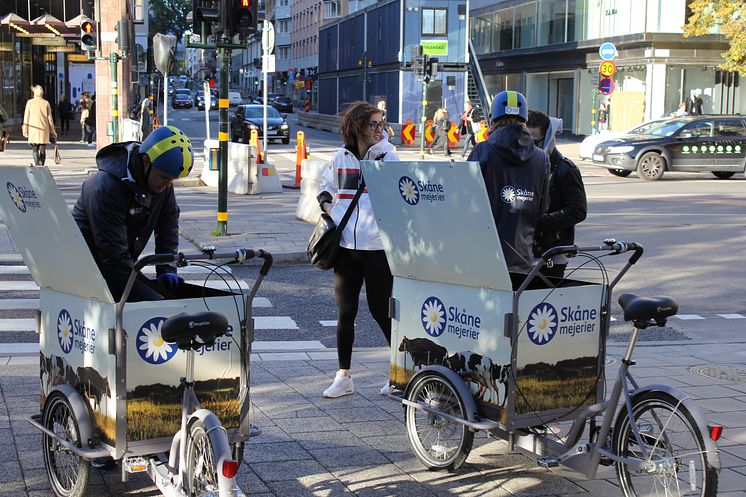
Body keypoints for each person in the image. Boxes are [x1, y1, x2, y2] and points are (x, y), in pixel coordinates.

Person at [316, 101, 399, 398]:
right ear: (358, 127)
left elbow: (401, 197)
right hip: (346, 248)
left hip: (377, 248)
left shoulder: (389, 157)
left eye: (381, 123)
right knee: (345, 313)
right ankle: (344, 376)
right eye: (373, 124)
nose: (380, 129)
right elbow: (325, 189)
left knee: (381, 311)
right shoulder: (341, 157)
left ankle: (398, 373)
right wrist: (331, 210)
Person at [72, 125, 193, 302]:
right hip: (86, 272)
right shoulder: (105, 187)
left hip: (119, 265)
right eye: (164, 178)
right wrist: (153, 298)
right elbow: (113, 255)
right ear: (145, 162)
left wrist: (167, 269)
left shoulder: (160, 184)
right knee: (152, 309)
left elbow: (168, 228)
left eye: (172, 180)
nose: (167, 185)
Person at [467, 90, 550, 274]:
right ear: (525, 119)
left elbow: (465, 202)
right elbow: (542, 207)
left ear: (492, 118)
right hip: (522, 257)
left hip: (484, 257)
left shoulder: (483, 151)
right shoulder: (542, 158)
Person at [527, 110, 587, 279]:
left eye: (533, 141)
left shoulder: (566, 169)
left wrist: (537, 223)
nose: (528, 147)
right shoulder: (526, 167)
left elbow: (578, 210)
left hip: (552, 252)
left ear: (547, 139)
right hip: (525, 249)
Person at [22, 85, 57, 167]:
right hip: (44, 129)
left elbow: (26, 117)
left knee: (34, 148)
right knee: (42, 147)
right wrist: (53, 131)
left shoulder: (30, 102)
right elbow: (50, 119)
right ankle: (41, 164)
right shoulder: (46, 103)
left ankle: (37, 163)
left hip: (33, 129)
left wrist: (25, 129)